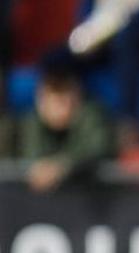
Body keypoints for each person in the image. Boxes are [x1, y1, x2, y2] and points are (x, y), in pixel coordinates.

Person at [17, 57, 116, 192]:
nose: (59, 109)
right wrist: (43, 168)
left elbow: (97, 149)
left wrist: (61, 166)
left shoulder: (91, 116)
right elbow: (32, 156)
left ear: (76, 98)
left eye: (63, 100)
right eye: (53, 101)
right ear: (41, 102)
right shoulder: (33, 121)